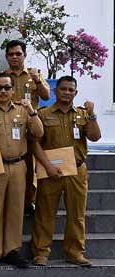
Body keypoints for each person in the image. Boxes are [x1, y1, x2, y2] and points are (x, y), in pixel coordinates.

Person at [31, 76, 101, 266]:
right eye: (63, 89)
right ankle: (41, 252)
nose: (67, 92)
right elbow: (35, 143)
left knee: (77, 214)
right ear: (55, 91)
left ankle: (75, 252)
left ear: (76, 93)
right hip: (50, 171)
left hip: (76, 170)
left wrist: (92, 114)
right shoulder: (43, 114)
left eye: (71, 90)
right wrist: (48, 166)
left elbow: (95, 137)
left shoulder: (82, 114)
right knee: (45, 213)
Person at [0, 73, 43, 268]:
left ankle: (12, 250)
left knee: (16, 210)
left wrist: (32, 110)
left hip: (18, 165)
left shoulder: (23, 110)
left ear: (13, 90)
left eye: (7, 87)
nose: (3, 91)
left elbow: (38, 133)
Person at [0, 40, 50, 215]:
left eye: (18, 53)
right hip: (8, 129)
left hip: (30, 127)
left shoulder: (34, 75)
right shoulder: (2, 77)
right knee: (14, 165)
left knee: (31, 167)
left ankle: (30, 200)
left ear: (24, 55)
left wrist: (37, 80)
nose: (14, 57)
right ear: (6, 57)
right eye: (11, 54)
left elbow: (46, 95)